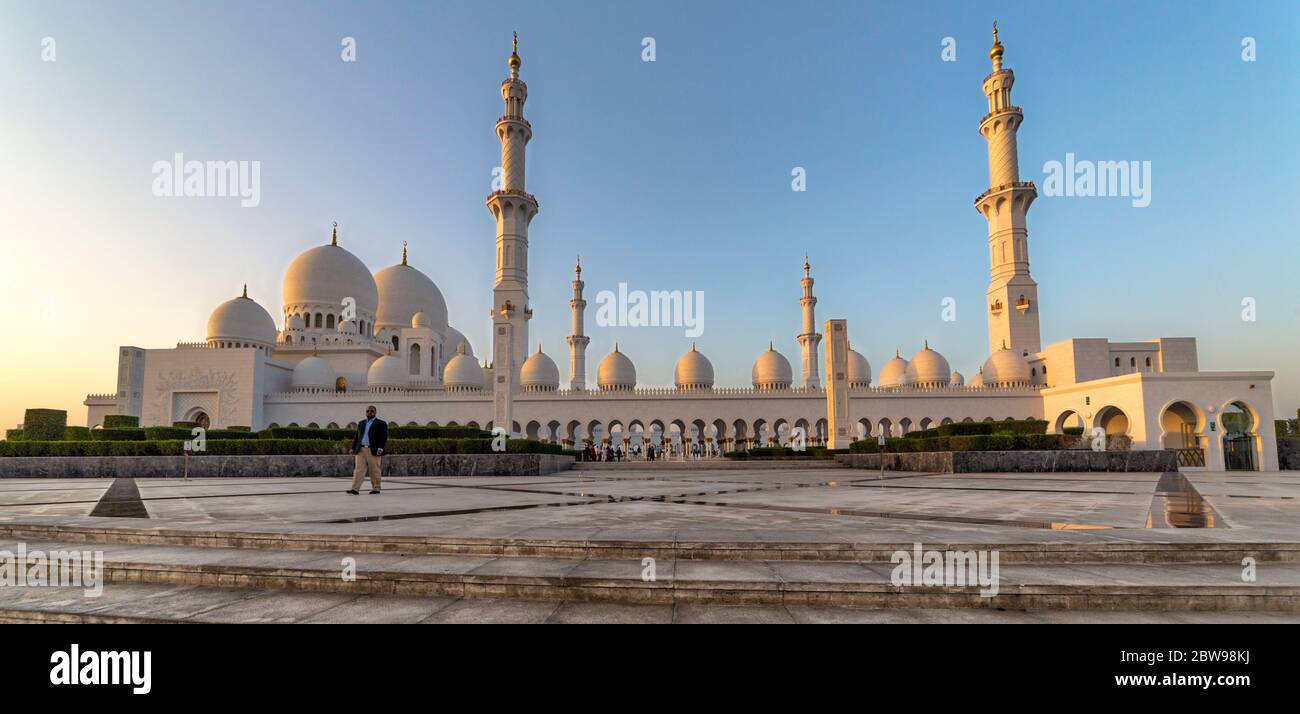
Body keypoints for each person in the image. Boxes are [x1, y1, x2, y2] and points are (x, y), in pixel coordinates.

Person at [348, 405, 387, 495]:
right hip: (360, 449)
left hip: (373, 450)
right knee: (358, 470)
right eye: (367, 411)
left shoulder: (381, 423)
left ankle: (376, 488)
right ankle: (355, 489)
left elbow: (383, 437)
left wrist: (380, 448)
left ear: (375, 412)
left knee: (374, 470)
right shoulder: (361, 423)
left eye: (371, 411)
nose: (369, 412)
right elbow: (357, 437)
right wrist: (353, 448)